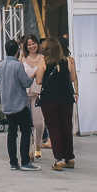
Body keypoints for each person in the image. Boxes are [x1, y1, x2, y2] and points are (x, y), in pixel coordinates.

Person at [0, 39, 41, 172]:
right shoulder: (18, 65)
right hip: (20, 104)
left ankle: (13, 162)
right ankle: (25, 162)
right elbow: (26, 83)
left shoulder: (0, 65)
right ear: (18, 51)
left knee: (12, 133)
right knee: (26, 131)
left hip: (7, 104)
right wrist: (33, 75)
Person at [38, 38, 77, 171]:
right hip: (66, 98)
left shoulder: (43, 62)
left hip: (49, 99)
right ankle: (69, 158)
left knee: (54, 128)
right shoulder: (68, 61)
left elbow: (38, 80)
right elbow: (72, 78)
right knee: (66, 127)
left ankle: (59, 159)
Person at [21, 34, 46, 158]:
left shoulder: (43, 58)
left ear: (37, 43)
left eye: (33, 43)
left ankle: (38, 145)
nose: (31, 46)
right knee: (26, 124)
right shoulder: (23, 58)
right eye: (29, 44)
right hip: (24, 94)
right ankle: (30, 149)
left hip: (38, 94)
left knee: (39, 123)